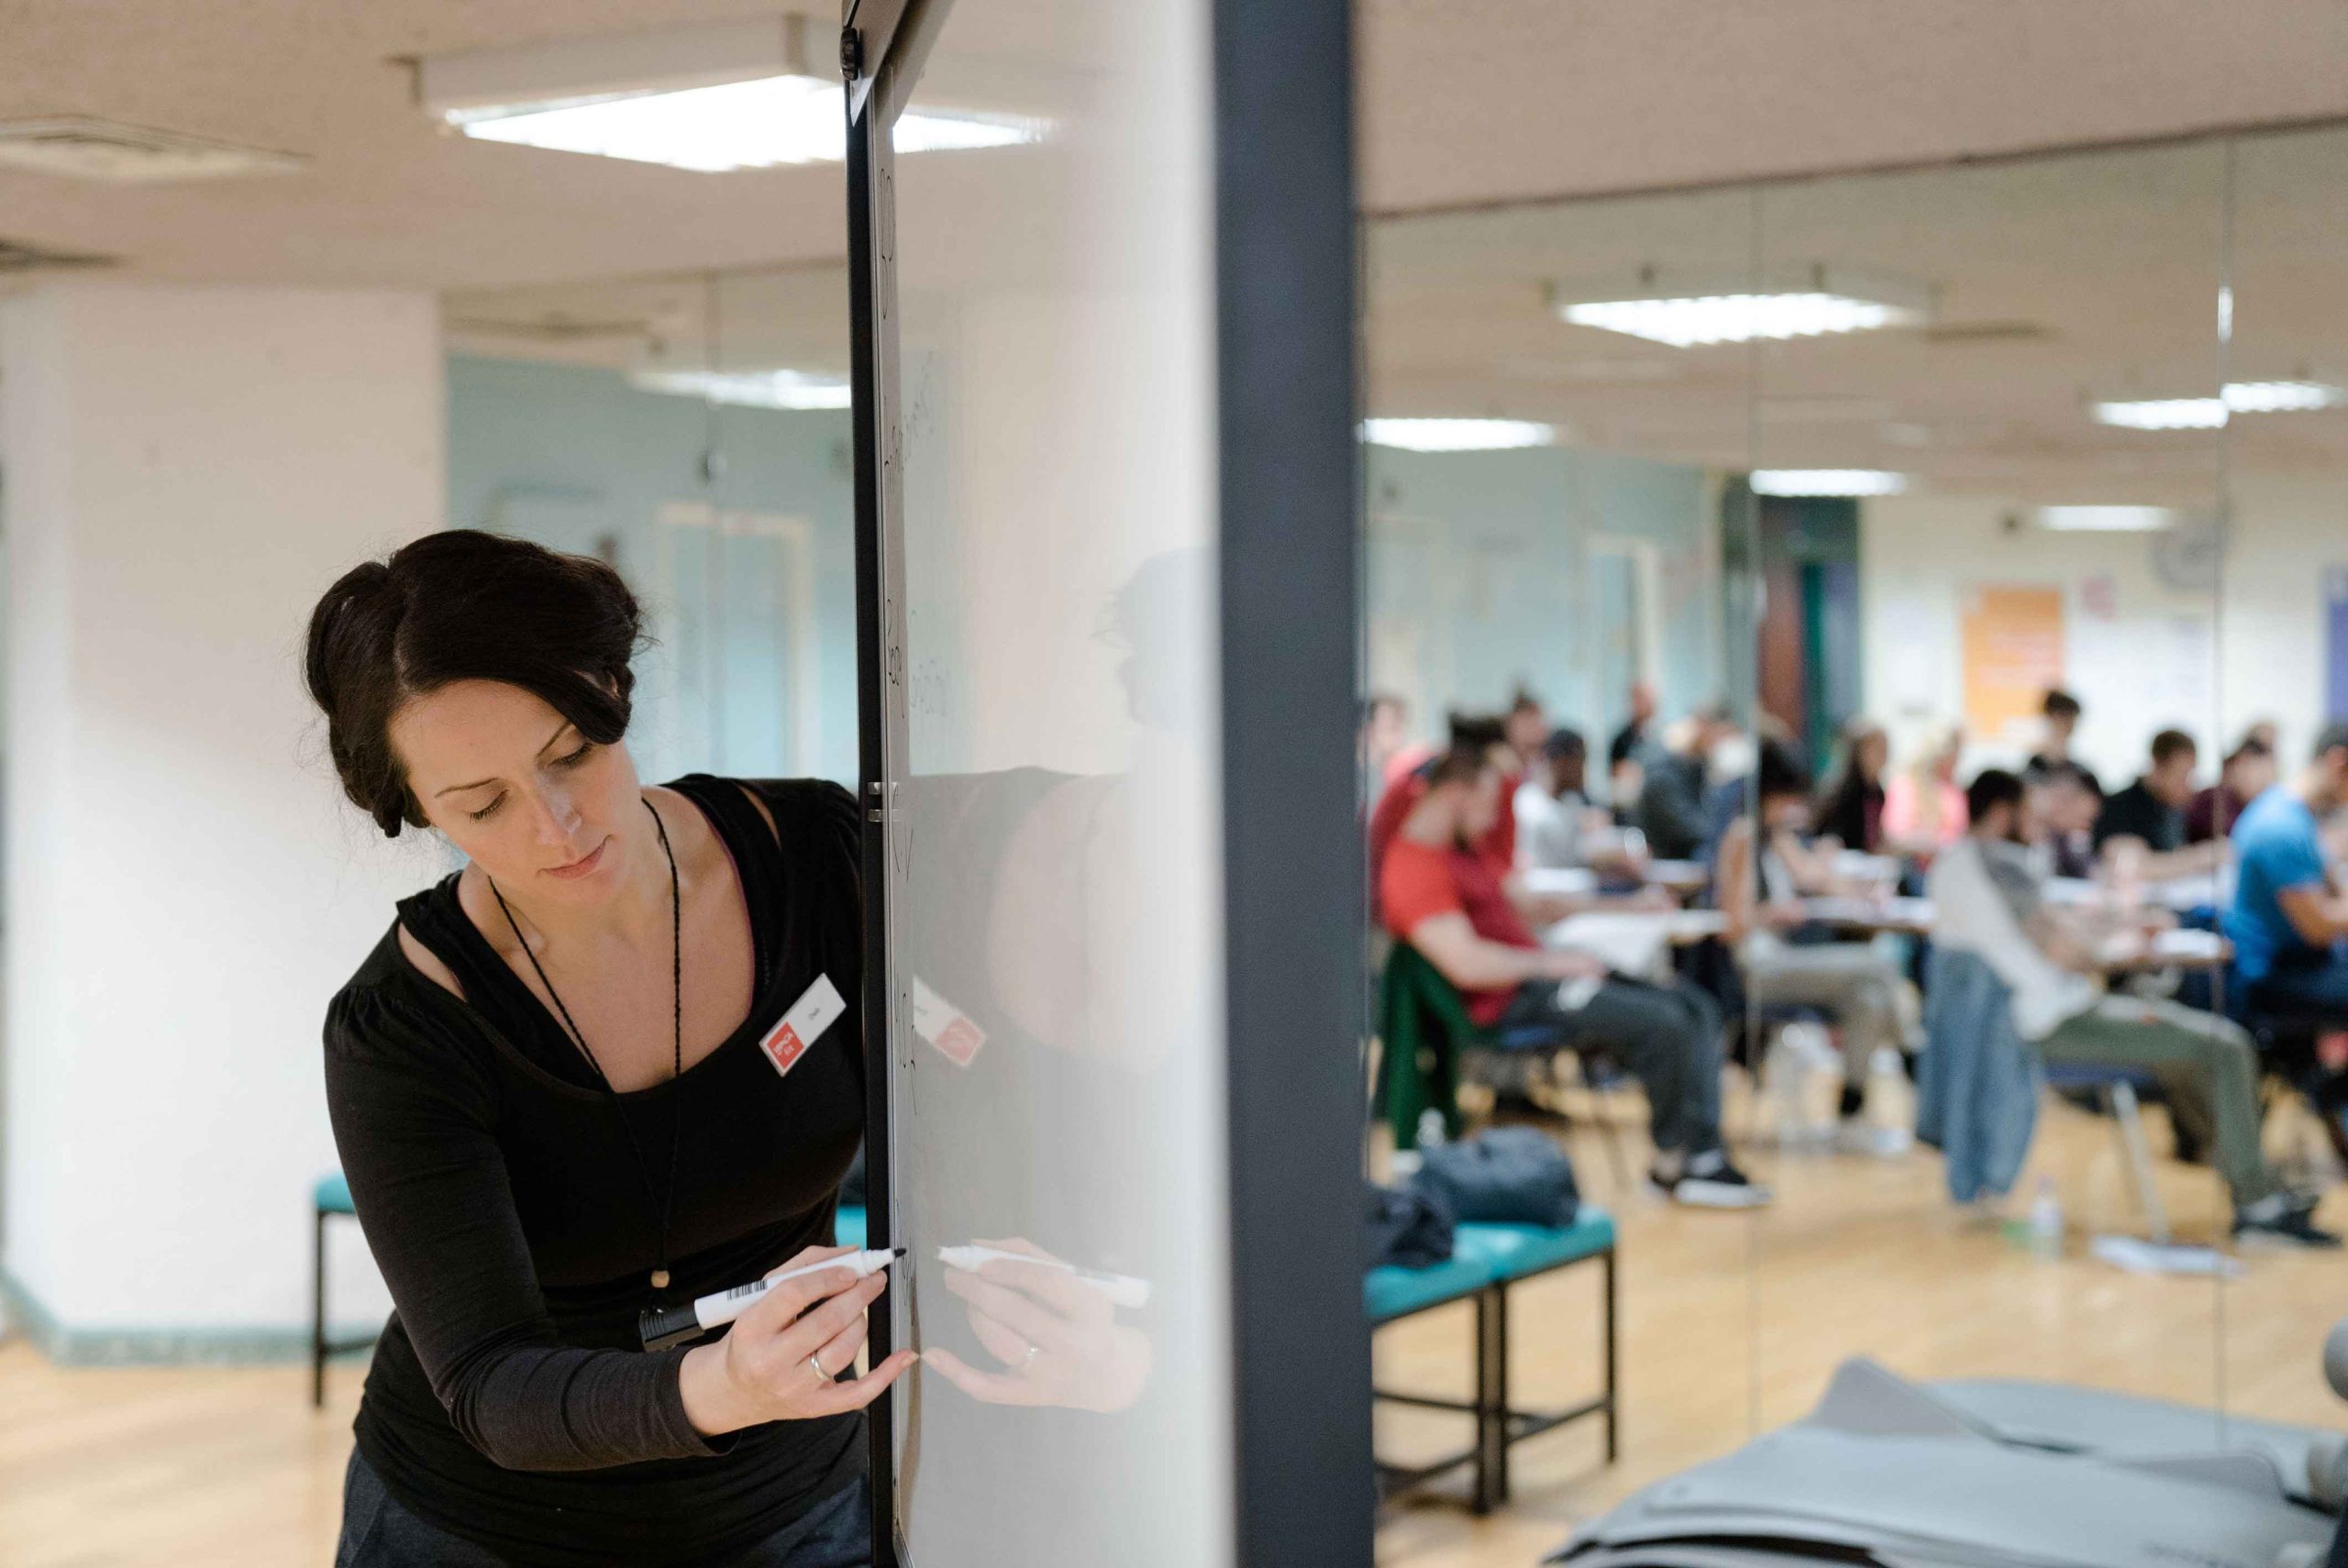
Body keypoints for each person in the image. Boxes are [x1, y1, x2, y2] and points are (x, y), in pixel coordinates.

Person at [307, 532, 914, 1565]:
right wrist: (722, 1385)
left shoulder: (823, 862)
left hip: (795, 1507)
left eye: (570, 757)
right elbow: (493, 1382)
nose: (554, 827)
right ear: (413, 807)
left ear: (609, 688)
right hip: (481, 1531)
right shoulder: (402, 1027)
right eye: (482, 805)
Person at [1932, 768, 2333, 1244]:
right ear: (2002, 813)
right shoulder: (1997, 864)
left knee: (2206, 1050)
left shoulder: (1970, 865)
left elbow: (2048, 933)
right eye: (2027, 809)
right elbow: (2060, 950)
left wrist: (2111, 931)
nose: (2037, 819)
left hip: (2050, 1011)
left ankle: (2248, 1180)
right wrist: (2120, 947)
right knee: (2226, 1046)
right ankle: (2256, 1205)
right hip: (2055, 1021)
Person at [1380, 744, 1768, 1208]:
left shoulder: (1470, 851)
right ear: (1458, 794)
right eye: (1488, 803)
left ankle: (1693, 1160)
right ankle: (1686, 1160)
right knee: (1662, 1022)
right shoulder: (1412, 866)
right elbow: (1468, 965)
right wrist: (1552, 963)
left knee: (1693, 1005)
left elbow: (1535, 905)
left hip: (1541, 976)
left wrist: (1625, 905)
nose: (1494, 817)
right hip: (1509, 1001)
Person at [1717, 741, 1918, 1154]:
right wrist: (1772, 913)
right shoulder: (1741, 835)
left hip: (1783, 955)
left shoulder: (1775, 836)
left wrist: (1860, 889)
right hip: (1758, 963)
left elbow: (1813, 878)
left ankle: (1850, 1111)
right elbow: (1732, 922)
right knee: (1877, 965)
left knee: (1870, 998)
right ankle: (1917, 1061)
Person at [2226, 723, 2348, 1025]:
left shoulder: (2291, 813)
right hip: (2276, 976)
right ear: (2339, 763)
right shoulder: (2281, 827)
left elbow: (2332, 891)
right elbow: (2318, 928)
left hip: (2299, 962)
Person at [2093, 728, 2222, 878]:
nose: (2187, 785)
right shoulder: (2119, 808)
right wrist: (2200, 857)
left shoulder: (2175, 808)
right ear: (2157, 766)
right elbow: (2131, 866)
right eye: (2181, 776)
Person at [1635, 703, 1736, 861]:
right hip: (1669, 865)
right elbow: (1692, 830)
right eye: (1720, 736)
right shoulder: (1663, 778)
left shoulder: (1698, 771)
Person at [1515, 726, 1596, 873]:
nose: (1583, 770)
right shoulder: (1529, 805)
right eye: (1580, 760)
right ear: (1561, 762)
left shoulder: (1571, 800)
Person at [1882, 723, 1968, 860]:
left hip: (1947, 867)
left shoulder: (1954, 791)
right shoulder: (1906, 786)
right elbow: (1896, 833)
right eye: (1953, 753)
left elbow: (1960, 833)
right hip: (1913, 869)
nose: (1957, 759)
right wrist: (1931, 841)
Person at [1813, 719, 1889, 855]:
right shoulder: (1842, 791)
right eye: (1877, 749)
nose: (1884, 755)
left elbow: (1876, 838)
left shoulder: (1877, 791)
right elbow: (1828, 837)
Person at [2186, 734, 2276, 845]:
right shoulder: (2213, 801)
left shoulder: (2248, 805)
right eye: (2261, 775)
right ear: (2241, 764)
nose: (2264, 785)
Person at [2031, 762, 2104, 880]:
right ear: (2062, 800)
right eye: (2084, 819)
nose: (2085, 828)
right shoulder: (2032, 834)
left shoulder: (2065, 841)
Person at [2024, 689, 2095, 793]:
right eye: (2065, 717)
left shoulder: (2077, 770)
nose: (2070, 725)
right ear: (2052, 717)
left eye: (2071, 720)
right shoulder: (2034, 768)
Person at [1359, 691, 1410, 812]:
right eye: (1392, 727)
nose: (1400, 735)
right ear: (1366, 730)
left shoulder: (1383, 777)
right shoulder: (1360, 780)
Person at [1607, 679, 1660, 773]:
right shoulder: (1622, 740)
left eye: (1650, 699)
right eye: (1640, 698)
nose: (1647, 704)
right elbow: (1615, 772)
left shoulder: (1664, 735)